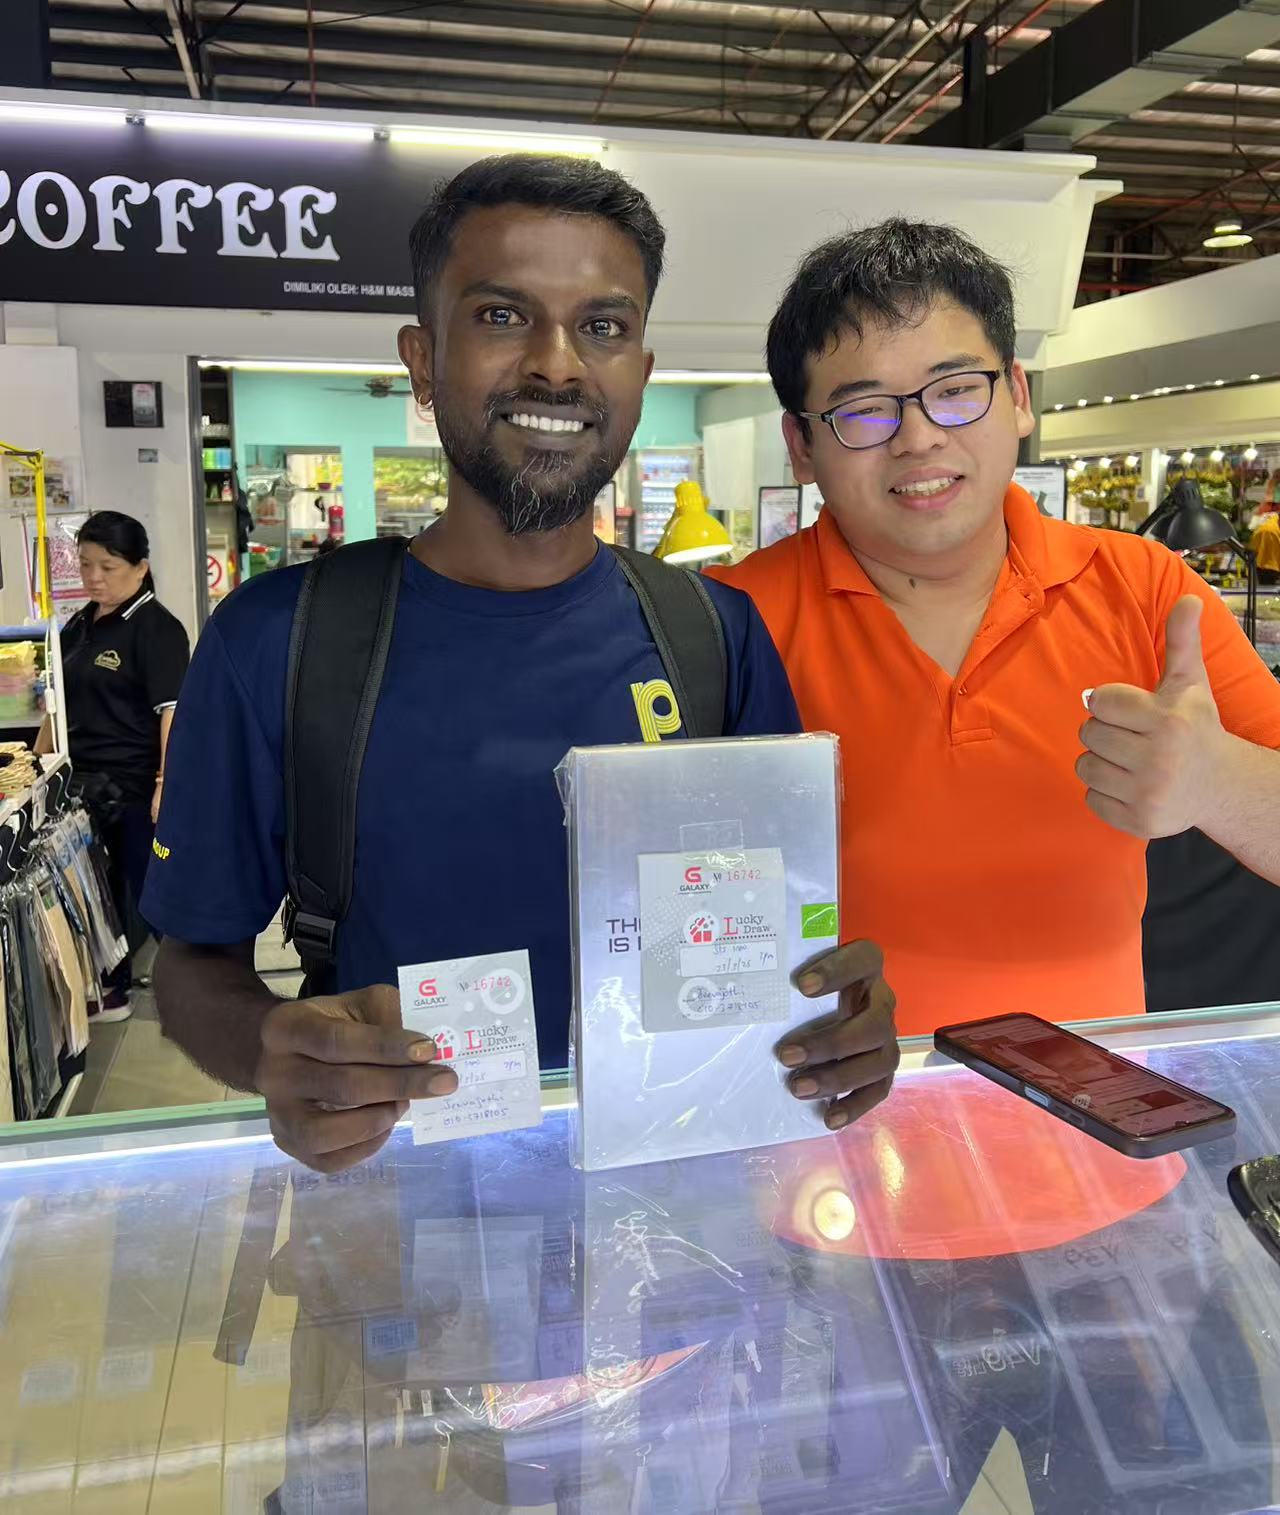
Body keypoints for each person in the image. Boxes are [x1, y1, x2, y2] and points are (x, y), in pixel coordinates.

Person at [145, 155, 899, 1173]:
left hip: (679, 1195)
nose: (557, 365)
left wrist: (837, 1015)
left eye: (603, 326)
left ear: (640, 369)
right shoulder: (278, 640)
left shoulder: (713, 636)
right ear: (422, 359)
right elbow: (193, 963)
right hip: (398, 1205)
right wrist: (271, 1048)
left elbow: (771, 937)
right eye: (502, 316)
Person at [710, 219, 1280, 1037]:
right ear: (801, 445)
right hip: (829, 1108)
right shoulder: (728, 622)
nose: (919, 438)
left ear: (1016, 395)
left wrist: (1216, 781)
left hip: (1094, 1105)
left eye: (954, 390)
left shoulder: (1144, 587)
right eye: (863, 410)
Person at [36, 511, 190, 1019]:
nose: (94, 577)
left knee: (145, 891)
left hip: (134, 786)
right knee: (96, 894)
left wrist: (165, 785)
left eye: (108, 566)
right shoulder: (80, 625)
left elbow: (172, 714)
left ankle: (205, 990)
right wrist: (37, 764)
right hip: (80, 786)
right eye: (85, 565)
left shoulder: (157, 629)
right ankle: (110, 986)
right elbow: (55, 702)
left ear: (140, 567)